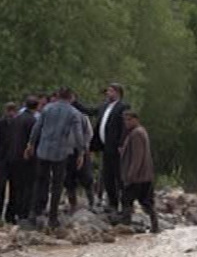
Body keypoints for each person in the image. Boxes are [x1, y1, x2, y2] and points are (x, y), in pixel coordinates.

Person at [25, 87, 86, 229]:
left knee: (40, 181)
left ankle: (33, 213)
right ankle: (53, 218)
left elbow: (37, 127)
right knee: (57, 184)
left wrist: (31, 144)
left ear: (58, 95)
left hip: (43, 150)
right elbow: (78, 134)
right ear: (70, 97)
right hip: (60, 152)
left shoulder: (47, 108)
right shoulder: (73, 112)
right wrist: (81, 152)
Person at [88, 83, 130, 213]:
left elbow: (124, 127)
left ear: (117, 93)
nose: (108, 93)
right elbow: (90, 111)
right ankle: (112, 203)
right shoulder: (104, 106)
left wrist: (122, 143)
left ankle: (126, 205)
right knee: (108, 176)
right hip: (105, 147)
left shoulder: (123, 107)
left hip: (116, 148)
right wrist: (74, 103)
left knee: (120, 176)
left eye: (110, 91)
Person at [119, 110, 158, 233]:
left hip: (138, 177)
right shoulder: (140, 132)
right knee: (146, 201)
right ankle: (155, 226)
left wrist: (130, 175)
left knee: (127, 200)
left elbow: (137, 156)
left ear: (136, 119)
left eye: (129, 119)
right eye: (125, 120)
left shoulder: (136, 133)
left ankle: (126, 226)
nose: (126, 122)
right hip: (145, 175)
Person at [9, 96, 39, 225]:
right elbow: (34, 140)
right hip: (28, 157)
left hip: (14, 155)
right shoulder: (33, 120)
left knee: (17, 186)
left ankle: (13, 212)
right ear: (37, 106)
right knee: (28, 185)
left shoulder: (16, 119)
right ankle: (24, 213)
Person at [0, 102, 20, 224]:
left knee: (15, 188)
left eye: (13, 110)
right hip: (2, 160)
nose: (11, 113)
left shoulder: (18, 123)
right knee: (1, 186)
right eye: (9, 110)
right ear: (5, 111)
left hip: (15, 160)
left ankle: (10, 214)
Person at [64, 92, 95, 211]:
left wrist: (85, 147)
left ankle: (91, 202)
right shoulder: (62, 117)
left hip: (81, 150)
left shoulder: (82, 116)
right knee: (68, 179)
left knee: (87, 177)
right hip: (66, 152)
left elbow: (89, 133)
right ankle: (73, 204)